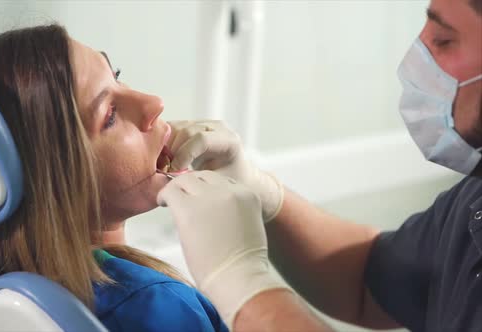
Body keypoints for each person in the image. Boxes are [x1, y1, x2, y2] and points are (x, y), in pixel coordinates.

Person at [157, 0, 482, 331]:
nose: (417, 58)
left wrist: (241, 285)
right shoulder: (475, 197)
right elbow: (366, 284)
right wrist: (261, 193)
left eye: (444, 40)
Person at [0, 24, 227, 332]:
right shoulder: (153, 307)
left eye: (116, 75)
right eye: (110, 115)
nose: (154, 103)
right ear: (51, 182)